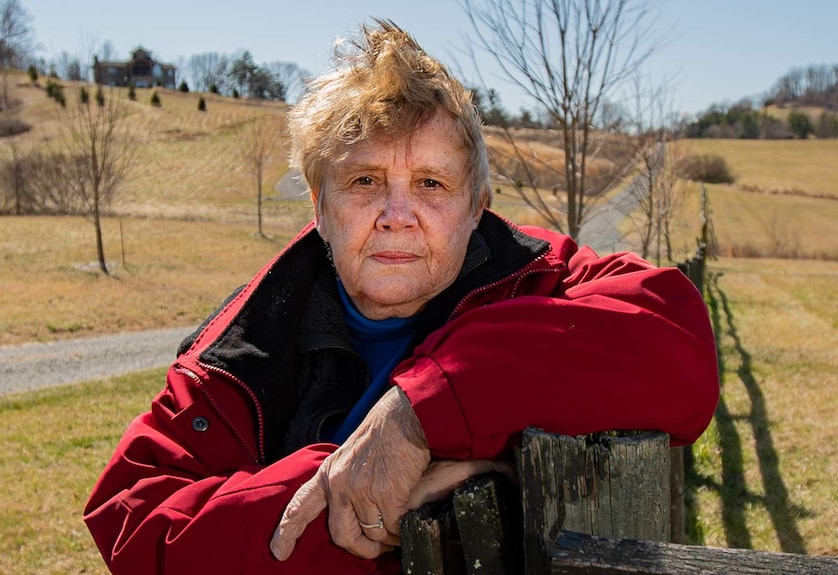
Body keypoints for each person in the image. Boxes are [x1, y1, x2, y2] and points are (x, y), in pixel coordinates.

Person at [84, 19, 719, 575]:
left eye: (431, 183)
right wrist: (361, 490)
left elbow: (679, 348)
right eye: (363, 180)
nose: (397, 214)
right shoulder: (246, 342)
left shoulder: (544, 278)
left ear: (477, 207)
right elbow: (134, 523)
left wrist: (419, 414)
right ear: (320, 207)